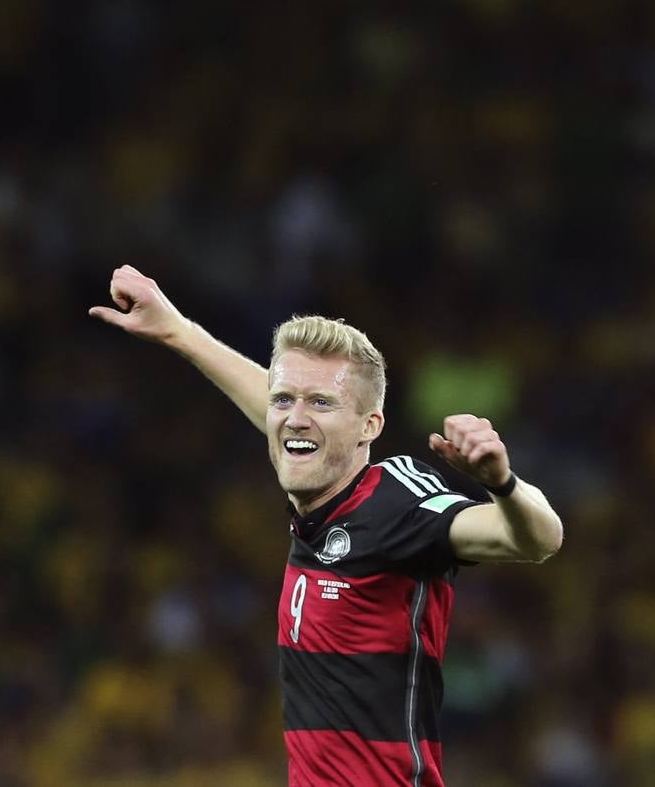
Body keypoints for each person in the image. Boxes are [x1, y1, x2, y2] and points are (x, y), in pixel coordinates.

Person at [89, 265, 563, 787]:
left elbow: (539, 538)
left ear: (370, 427)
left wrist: (504, 483)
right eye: (284, 400)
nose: (295, 418)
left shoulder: (396, 505)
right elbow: (276, 407)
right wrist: (177, 330)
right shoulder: (319, 484)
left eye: (321, 402)